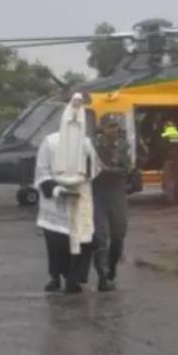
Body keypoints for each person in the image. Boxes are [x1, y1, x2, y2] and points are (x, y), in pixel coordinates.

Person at [34, 93, 99, 294]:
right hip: (56, 202)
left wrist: (86, 169)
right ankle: (55, 277)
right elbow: (41, 171)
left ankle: (74, 279)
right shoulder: (50, 142)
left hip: (80, 199)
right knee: (56, 243)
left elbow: (95, 169)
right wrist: (56, 189)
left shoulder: (86, 143)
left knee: (82, 241)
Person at [92, 116, 132, 292]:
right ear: (102, 128)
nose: (114, 130)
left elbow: (126, 169)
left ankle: (111, 268)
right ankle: (102, 277)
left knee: (118, 236)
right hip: (97, 193)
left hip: (117, 192)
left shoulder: (123, 145)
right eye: (110, 126)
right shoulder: (93, 146)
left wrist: (108, 170)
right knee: (100, 237)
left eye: (116, 126)